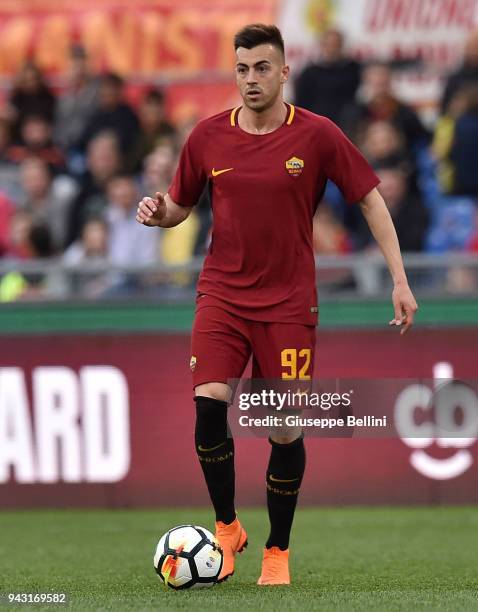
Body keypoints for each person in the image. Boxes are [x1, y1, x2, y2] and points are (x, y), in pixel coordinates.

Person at [136, 23, 418, 586]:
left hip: (288, 306)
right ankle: (226, 527)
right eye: (241, 69)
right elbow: (181, 206)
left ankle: (277, 551)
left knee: (283, 430)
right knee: (209, 404)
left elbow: (368, 199)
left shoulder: (316, 135)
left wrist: (399, 279)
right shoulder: (207, 137)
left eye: (262, 68)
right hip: (222, 295)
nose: (251, 79)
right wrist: (157, 211)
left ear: (284, 71)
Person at [294, 28, 361, 123]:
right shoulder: (310, 73)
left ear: (342, 45)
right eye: (329, 44)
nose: (332, 48)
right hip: (316, 123)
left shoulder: (352, 69)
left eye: (336, 44)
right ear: (322, 45)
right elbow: (301, 103)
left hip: (344, 124)